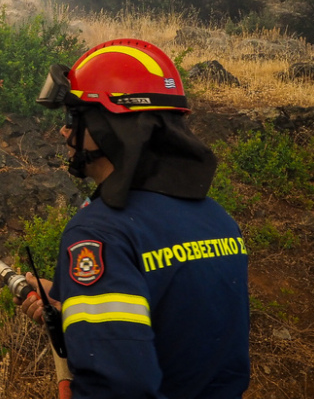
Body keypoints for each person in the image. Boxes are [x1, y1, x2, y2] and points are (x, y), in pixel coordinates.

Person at [19, 38, 250, 399]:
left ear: (110, 127)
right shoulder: (217, 219)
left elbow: (117, 385)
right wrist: (72, 306)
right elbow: (173, 325)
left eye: (72, 118)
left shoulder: (98, 233)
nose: (64, 132)